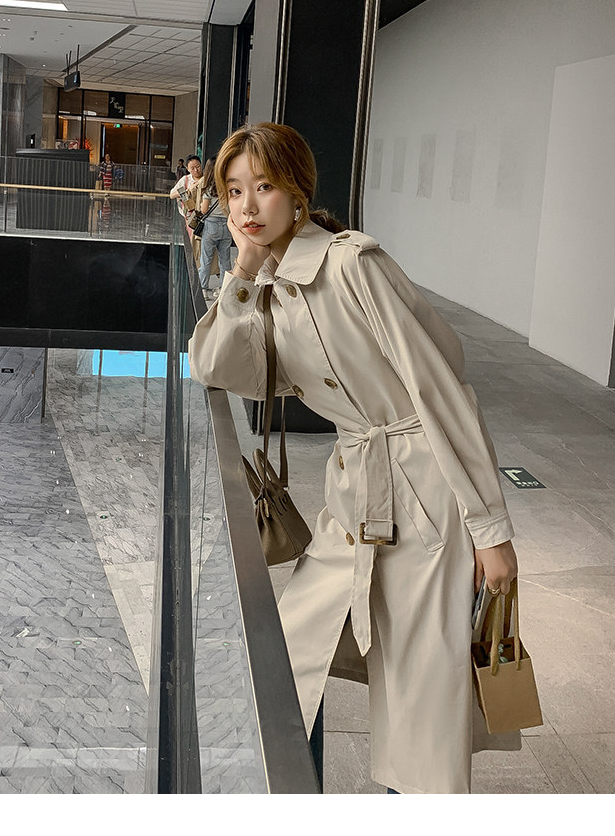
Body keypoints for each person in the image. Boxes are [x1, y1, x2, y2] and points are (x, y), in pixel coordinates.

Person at [187, 122, 519, 795]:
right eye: (233, 191)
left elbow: (438, 389)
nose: (246, 207)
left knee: (422, 703)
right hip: (354, 498)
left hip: (425, 498)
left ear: (298, 192)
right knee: (284, 657)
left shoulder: (352, 264)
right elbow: (216, 366)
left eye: (264, 186)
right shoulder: (270, 285)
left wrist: (490, 530)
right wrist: (242, 273)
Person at [197, 157, 233, 299]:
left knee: (206, 259)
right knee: (225, 260)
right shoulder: (228, 187)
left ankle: (204, 289)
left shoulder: (210, 188)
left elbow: (204, 210)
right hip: (226, 225)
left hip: (211, 225)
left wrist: (201, 206)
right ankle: (223, 289)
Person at [170, 154, 204, 260]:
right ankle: (195, 262)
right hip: (190, 217)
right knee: (192, 241)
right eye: (192, 168)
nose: (196, 170)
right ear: (187, 169)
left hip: (204, 215)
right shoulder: (185, 180)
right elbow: (172, 194)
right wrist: (187, 190)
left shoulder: (207, 178)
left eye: (198, 166)